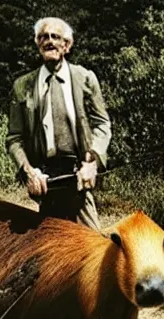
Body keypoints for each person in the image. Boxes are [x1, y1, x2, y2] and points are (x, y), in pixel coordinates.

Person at [6, 17, 112, 231]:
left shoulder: (85, 78)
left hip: (78, 176)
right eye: (43, 37)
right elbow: (14, 139)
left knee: (92, 248)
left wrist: (92, 163)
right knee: (47, 252)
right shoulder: (23, 86)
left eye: (55, 37)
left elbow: (102, 124)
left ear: (67, 45)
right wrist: (28, 172)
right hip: (45, 180)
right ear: (38, 45)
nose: (49, 41)